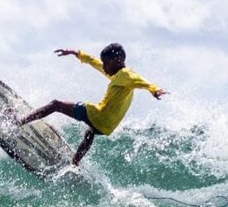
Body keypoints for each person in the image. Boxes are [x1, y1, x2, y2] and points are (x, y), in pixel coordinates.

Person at [19, 43, 167, 165]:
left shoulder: (126, 75)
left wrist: (155, 90)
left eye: (106, 64)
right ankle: (75, 162)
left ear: (118, 61)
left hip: (99, 115)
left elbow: (141, 81)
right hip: (107, 126)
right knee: (90, 132)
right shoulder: (117, 74)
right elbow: (94, 62)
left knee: (56, 104)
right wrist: (75, 53)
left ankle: (18, 122)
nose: (103, 67)